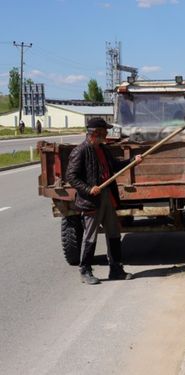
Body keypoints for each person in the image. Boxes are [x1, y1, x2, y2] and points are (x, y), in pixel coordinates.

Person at [66, 117, 142, 284]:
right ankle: (85, 271)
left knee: (113, 233)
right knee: (90, 236)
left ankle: (116, 269)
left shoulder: (103, 149)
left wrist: (132, 162)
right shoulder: (80, 151)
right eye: (104, 131)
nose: (107, 134)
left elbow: (115, 166)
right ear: (96, 133)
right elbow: (71, 176)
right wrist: (88, 189)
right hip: (91, 200)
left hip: (107, 196)